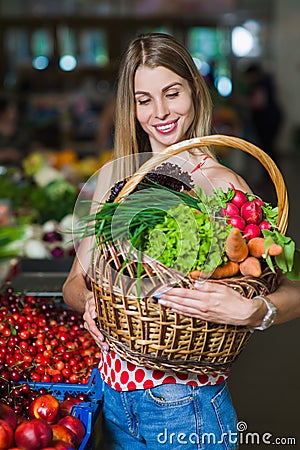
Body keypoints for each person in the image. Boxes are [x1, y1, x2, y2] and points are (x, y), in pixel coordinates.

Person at [62, 33, 300, 450]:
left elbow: (293, 293)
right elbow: (72, 286)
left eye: (172, 93)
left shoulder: (223, 186)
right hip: (111, 399)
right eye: (144, 99)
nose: (160, 113)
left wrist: (251, 311)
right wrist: (91, 304)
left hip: (187, 406)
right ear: (131, 106)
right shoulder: (112, 181)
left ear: (194, 89)